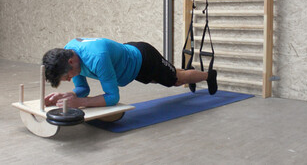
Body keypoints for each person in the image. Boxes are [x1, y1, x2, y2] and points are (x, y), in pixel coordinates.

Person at [42, 37, 218, 108]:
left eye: (67, 77)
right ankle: (189, 73)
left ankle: (209, 75)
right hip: (130, 63)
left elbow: (112, 97)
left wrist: (78, 102)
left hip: (145, 60)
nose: (68, 80)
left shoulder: (97, 58)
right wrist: (68, 95)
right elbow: (83, 89)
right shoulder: (68, 53)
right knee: (174, 73)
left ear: (71, 62)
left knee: (177, 80)